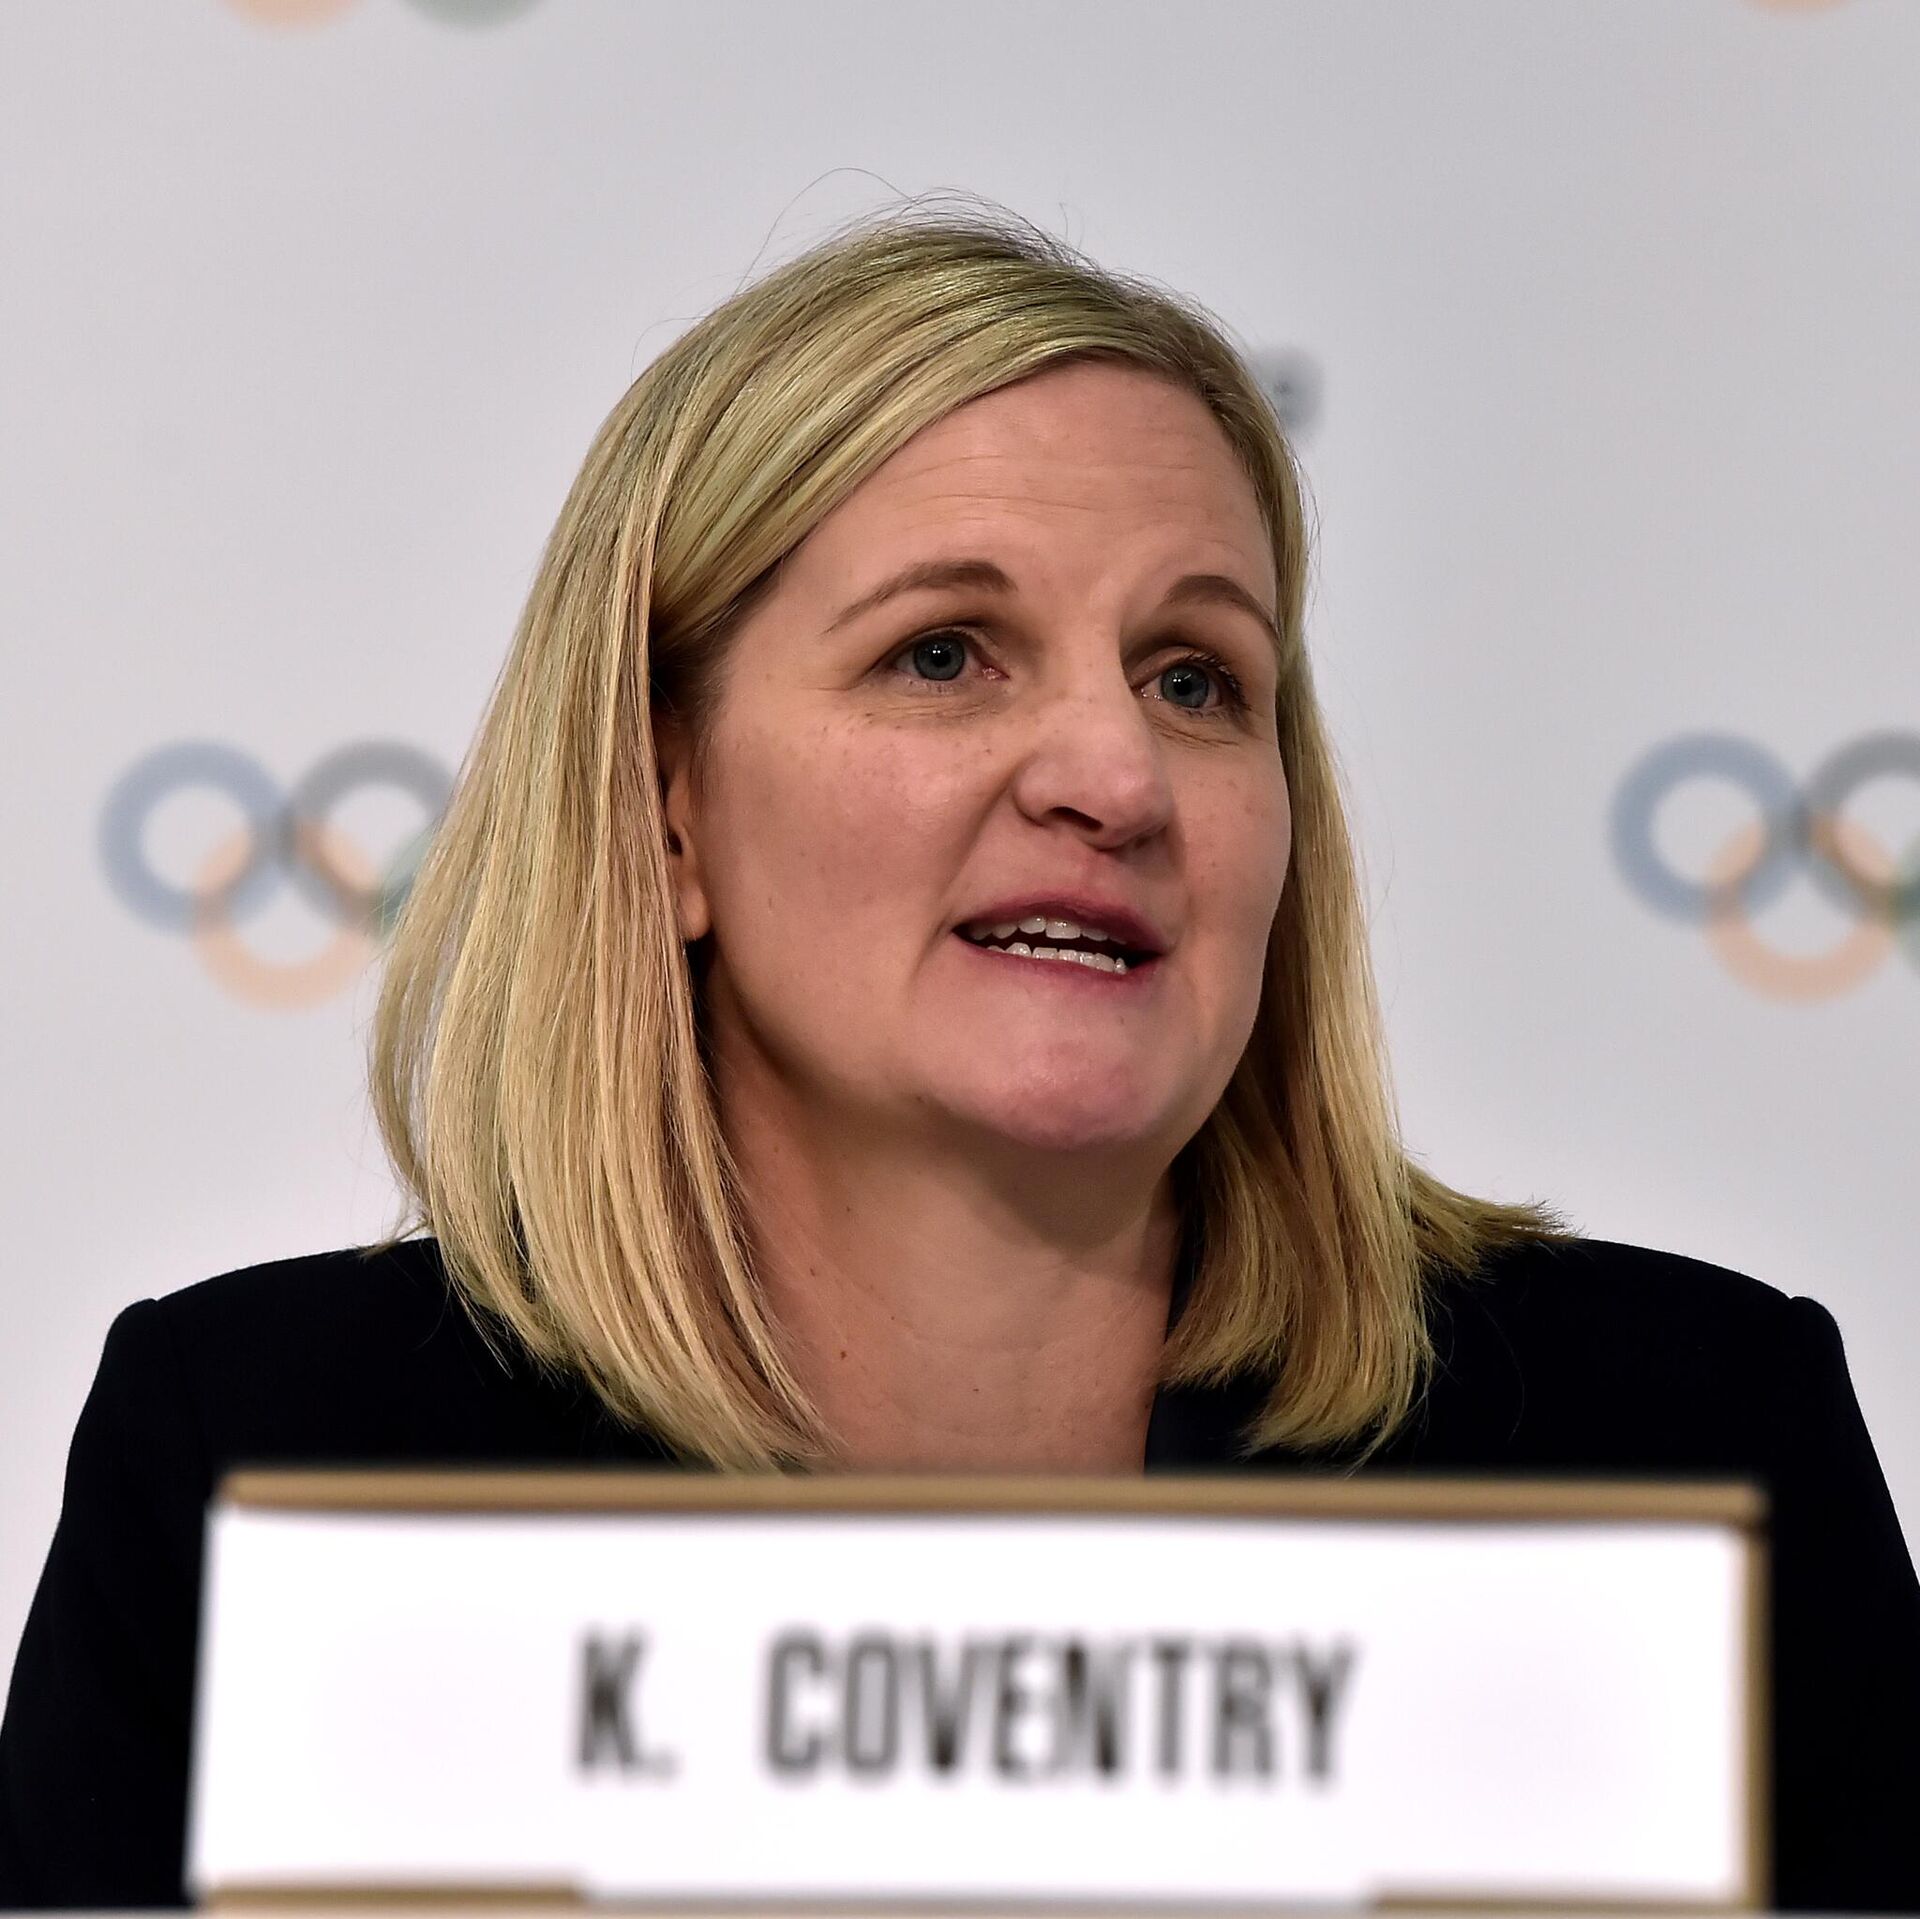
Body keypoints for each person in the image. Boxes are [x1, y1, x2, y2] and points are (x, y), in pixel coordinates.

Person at [2, 198, 1915, 1911]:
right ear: (665, 806)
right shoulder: (267, 1464)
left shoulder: (1687, 1442)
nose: (1114, 776)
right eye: (943, 655)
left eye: (1196, 679)